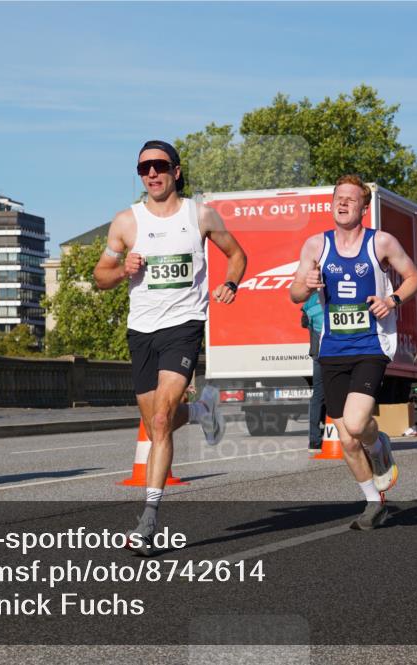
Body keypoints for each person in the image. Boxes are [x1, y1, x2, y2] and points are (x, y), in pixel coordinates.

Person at [93, 140, 246, 554]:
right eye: (144, 169)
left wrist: (230, 283)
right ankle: (201, 410)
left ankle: (149, 519)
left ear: (176, 171)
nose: (152, 174)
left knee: (160, 422)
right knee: (156, 421)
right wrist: (121, 269)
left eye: (160, 166)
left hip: (184, 326)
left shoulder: (201, 215)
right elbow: (99, 276)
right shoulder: (127, 221)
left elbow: (237, 255)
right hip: (141, 331)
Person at [289, 174, 417, 530]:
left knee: (356, 423)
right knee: (346, 439)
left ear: (364, 208)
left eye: (351, 199)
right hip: (332, 348)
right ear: (331, 203)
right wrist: (308, 283)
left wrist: (391, 300)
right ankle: (372, 502)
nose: (343, 203)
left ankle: (378, 446)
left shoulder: (380, 242)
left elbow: (414, 277)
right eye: (338, 198)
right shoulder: (316, 245)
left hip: (370, 345)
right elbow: (295, 294)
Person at [301, 293, 326, 451]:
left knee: (317, 395)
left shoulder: (311, 300)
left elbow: (304, 323)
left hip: (318, 353)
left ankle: (314, 440)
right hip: (338, 353)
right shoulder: (339, 295)